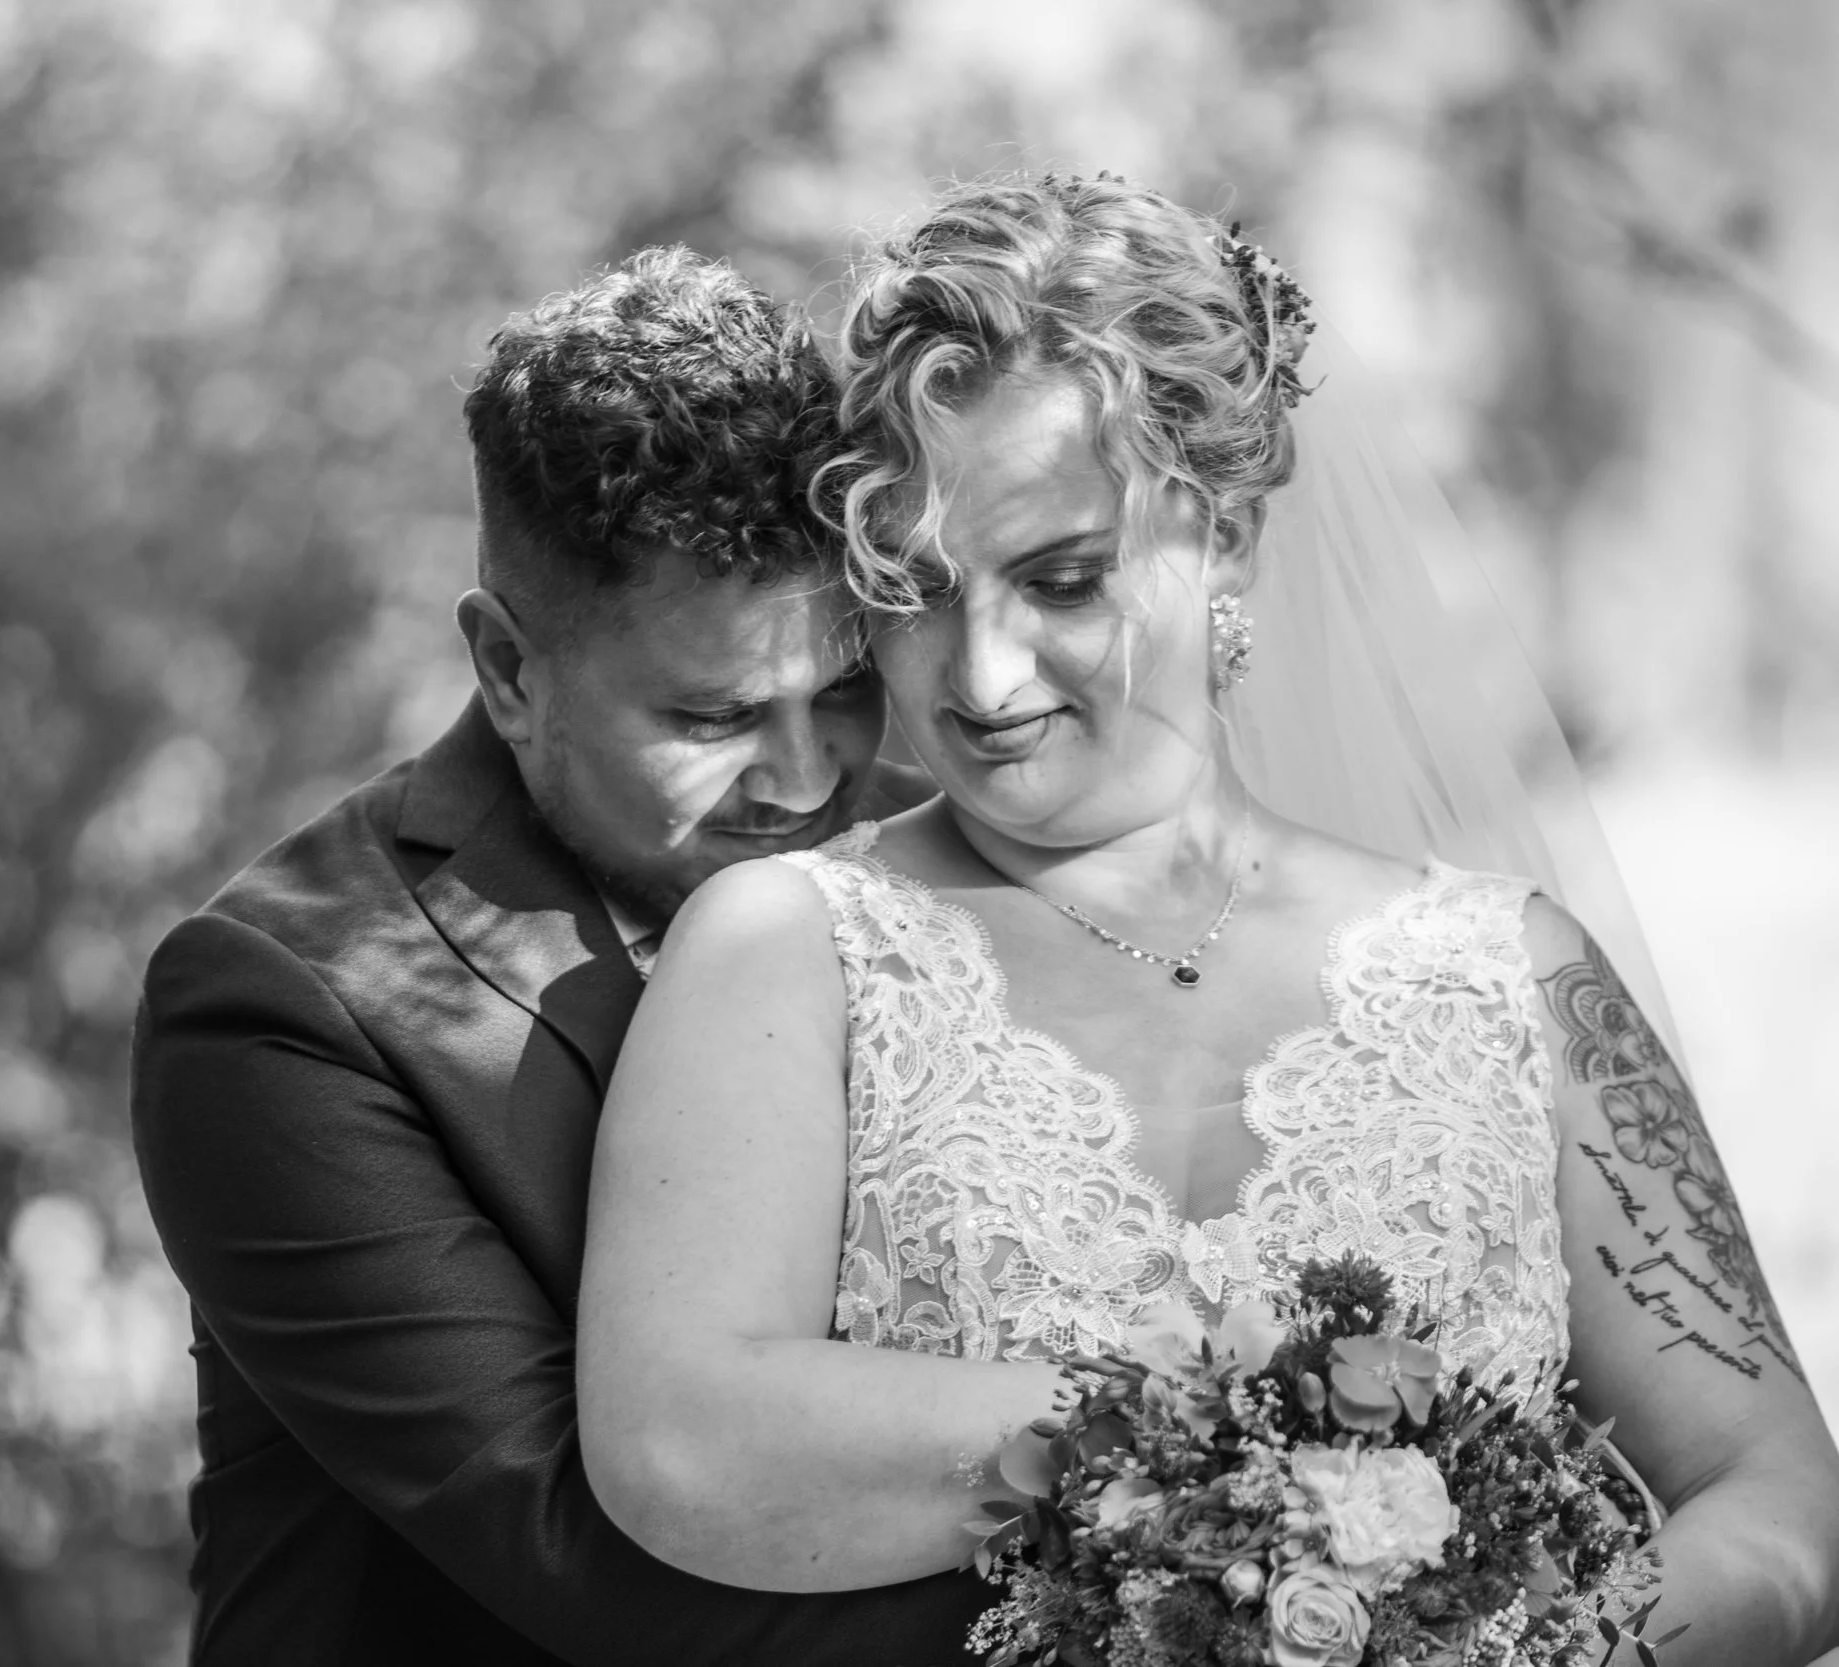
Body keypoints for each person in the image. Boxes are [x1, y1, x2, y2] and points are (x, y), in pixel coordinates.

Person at [576, 174, 1839, 1659]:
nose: (982, 679)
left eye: (1060, 579)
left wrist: (1538, 1659)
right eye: (916, 590)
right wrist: (1247, 1442)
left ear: (1224, 530)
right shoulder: (790, 948)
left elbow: (1782, 1504)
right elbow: (680, 1439)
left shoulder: (1510, 975)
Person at [131, 247, 994, 1664]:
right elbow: (576, 1553)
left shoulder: (939, 860)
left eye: (842, 689)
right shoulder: (282, 1006)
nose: (804, 779)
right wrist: (1163, 1592)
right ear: (511, 672)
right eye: (714, 719)